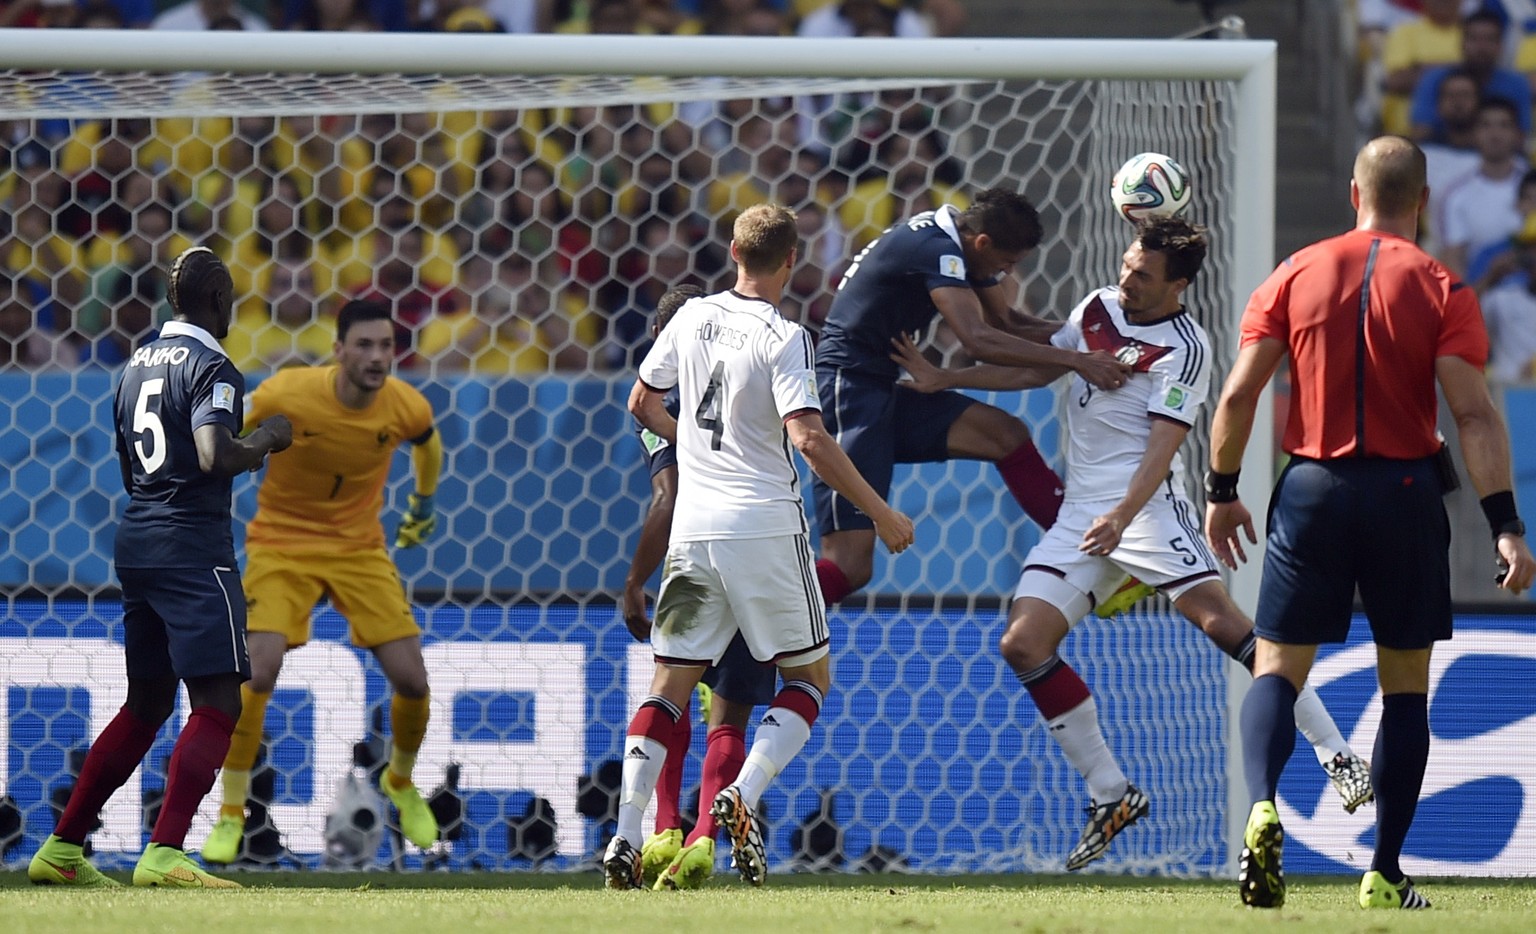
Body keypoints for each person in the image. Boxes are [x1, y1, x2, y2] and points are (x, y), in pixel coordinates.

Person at [891, 217, 1372, 872]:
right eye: (1125, 266)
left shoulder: (1186, 346)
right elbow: (1036, 374)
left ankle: (1336, 753)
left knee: (1225, 627)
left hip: (1144, 509)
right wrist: (946, 378)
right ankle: (1111, 794)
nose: (1126, 281)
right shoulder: (1096, 308)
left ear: (1177, 284)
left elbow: (1163, 448)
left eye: (1142, 275)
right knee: (1022, 644)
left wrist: (1122, 516)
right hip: (1083, 513)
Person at [1204, 136, 1536, 911]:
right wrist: (1507, 525)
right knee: (1404, 691)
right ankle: (1384, 871)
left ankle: (1261, 804)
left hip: (1312, 487)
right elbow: (1476, 415)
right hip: (1405, 491)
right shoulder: (1443, 286)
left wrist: (1222, 490)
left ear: (1353, 194)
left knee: (1278, 668)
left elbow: (1238, 399)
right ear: (1421, 200)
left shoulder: (1293, 272)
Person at [608, 203, 915, 889]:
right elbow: (807, 436)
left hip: (694, 532)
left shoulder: (688, 318)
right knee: (808, 679)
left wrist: (689, 441)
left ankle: (627, 832)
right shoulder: (784, 335)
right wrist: (879, 511)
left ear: (731, 250)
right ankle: (740, 796)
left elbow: (640, 402)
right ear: (791, 262)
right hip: (766, 529)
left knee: (668, 687)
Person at [28, 246, 292, 888]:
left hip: (138, 540)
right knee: (219, 701)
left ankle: (62, 850)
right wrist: (266, 441)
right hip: (193, 549)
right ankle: (166, 853)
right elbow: (214, 454)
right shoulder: (214, 366)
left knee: (146, 703)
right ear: (219, 300)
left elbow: (129, 465)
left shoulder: (133, 368)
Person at [199, 298, 445, 865]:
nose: (378, 357)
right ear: (338, 351)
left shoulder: (404, 405)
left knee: (411, 679)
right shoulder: (290, 392)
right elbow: (227, 428)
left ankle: (400, 783)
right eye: (364, 345)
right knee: (256, 672)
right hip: (281, 545)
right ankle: (231, 812)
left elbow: (427, 442)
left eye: (386, 346)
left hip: (359, 550)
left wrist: (423, 503)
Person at [812, 187, 1133, 610]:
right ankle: (739, 628)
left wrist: (1093, 336)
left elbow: (1007, 320)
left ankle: (1093, 561)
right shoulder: (933, 247)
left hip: (880, 388)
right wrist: (1077, 359)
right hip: (845, 390)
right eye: (1009, 263)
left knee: (1004, 434)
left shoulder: (960, 245)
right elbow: (978, 338)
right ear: (982, 243)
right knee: (851, 565)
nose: (1007, 273)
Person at [621, 282, 781, 891]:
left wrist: (636, 580)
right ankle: (702, 841)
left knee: (671, 694)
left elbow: (668, 494)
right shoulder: (754, 372)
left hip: (694, 560)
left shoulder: (660, 404)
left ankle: (661, 828)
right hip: (760, 555)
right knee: (733, 714)